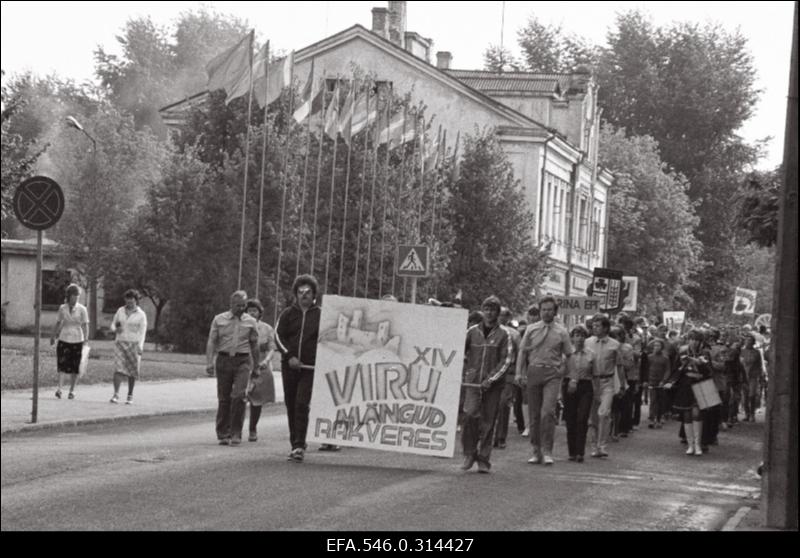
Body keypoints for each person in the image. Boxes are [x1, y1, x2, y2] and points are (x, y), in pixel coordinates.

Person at [516, 296, 572, 465]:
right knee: (534, 414)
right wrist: (519, 373)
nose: (546, 313)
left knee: (547, 412)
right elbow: (522, 352)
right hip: (534, 371)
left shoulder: (562, 331)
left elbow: (569, 355)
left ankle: (547, 450)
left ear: (555, 312)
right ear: (540, 311)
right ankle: (536, 450)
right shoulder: (531, 329)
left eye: (549, 309)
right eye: (543, 309)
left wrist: (564, 370)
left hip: (552, 374)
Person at [275, 275, 324, 462]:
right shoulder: (288, 314)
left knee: (302, 403)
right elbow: (278, 336)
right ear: (296, 294)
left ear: (314, 295)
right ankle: (296, 441)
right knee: (291, 404)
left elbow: (328, 339)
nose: (304, 295)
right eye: (300, 292)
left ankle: (298, 445)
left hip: (310, 368)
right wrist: (289, 356)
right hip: (290, 366)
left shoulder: (320, 315)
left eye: (308, 292)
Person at [461, 296, 511, 473]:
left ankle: (484, 459)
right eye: (486, 309)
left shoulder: (504, 334)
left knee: (488, 422)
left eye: (493, 309)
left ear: (498, 313)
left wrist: (491, 379)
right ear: (482, 311)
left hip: (493, 386)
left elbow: (506, 360)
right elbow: (459, 350)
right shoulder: (472, 331)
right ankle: (469, 453)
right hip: (473, 383)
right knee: (469, 417)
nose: (489, 313)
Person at [206, 290, 260, 446]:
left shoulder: (250, 322)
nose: (241, 308)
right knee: (224, 399)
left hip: (242, 361)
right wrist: (209, 362)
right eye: (238, 306)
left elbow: (254, 345)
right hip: (224, 360)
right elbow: (212, 341)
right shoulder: (219, 319)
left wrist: (256, 366)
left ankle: (236, 432)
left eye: (244, 305)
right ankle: (223, 432)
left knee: (239, 396)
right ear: (231, 304)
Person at [663, 329, 711, 456]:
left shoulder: (705, 352)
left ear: (701, 341)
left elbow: (708, 370)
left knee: (697, 413)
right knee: (687, 414)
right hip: (685, 385)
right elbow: (676, 370)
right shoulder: (682, 351)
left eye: (697, 340)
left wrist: (698, 363)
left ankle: (698, 444)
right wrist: (670, 381)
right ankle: (690, 445)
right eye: (692, 339)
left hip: (700, 384)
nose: (694, 342)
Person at [585, 314, 624, 459]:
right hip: (591, 382)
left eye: (598, 325)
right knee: (593, 417)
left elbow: (619, 366)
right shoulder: (587, 342)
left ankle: (602, 445)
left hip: (607, 382)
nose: (595, 328)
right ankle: (594, 445)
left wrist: (623, 384)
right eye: (593, 325)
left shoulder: (614, 344)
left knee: (604, 413)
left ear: (606, 328)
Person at [244, 299, 277, 442]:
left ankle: (252, 429)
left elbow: (272, 348)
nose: (252, 313)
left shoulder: (267, 328)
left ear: (259, 313)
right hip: (244, 365)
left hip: (261, 366)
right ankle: (234, 429)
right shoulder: (241, 326)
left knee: (256, 400)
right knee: (240, 396)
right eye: (249, 310)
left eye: (255, 310)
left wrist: (266, 361)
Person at [50, 283, 89, 400]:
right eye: (74, 295)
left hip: (77, 338)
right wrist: (53, 335)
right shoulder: (63, 308)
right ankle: (60, 389)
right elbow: (58, 322)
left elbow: (86, 325)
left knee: (75, 366)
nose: (76, 298)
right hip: (64, 338)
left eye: (77, 295)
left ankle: (72, 390)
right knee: (62, 364)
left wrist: (86, 340)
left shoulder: (82, 309)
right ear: (69, 296)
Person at [563, 325, 595, 462]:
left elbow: (595, 373)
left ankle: (580, 451)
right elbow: (561, 372)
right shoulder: (566, 354)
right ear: (572, 338)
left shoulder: (591, 354)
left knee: (582, 418)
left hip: (585, 386)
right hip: (569, 385)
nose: (580, 338)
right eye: (577, 335)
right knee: (571, 419)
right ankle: (572, 451)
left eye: (582, 335)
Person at [109, 289, 148, 404]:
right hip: (120, 342)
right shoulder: (120, 311)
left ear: (136, 301)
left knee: (132, 370)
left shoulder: (141, 315)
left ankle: (130, 394)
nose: (129, 304)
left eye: (131, 301)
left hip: (134, 344)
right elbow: (113, 324)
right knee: (118, 368)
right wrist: (116, 329)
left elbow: (142, 332)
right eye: (127, 301)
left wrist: (140, 346)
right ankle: (116, 394)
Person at [493, 307, 521, 449]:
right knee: (491, 405)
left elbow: (520, 353)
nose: (501, 317)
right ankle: (489, 435)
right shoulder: (491, 332)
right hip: (491, 372)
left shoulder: (514, 334)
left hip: (508, 373)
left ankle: (501, 437)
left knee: (503, 405)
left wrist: (518, 373)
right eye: (499, 315)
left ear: (508, 318)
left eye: (504, 315)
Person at [644, 338, 671, 429]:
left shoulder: (665, 358)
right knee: (653, 400)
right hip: (651, 381)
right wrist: (646, 380)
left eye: (658, 345)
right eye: (655, 345)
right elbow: (646, 369)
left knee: (660, 401)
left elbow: (668, 370)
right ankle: (652, 419)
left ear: (662, 347)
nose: (656, 347)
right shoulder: (649, 357)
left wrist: (664, 381)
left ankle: (659, 419)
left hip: (661, 382)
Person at [739, 334, 764, 422]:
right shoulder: (741, 351)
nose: (748, 342)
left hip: (753, 376)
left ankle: (752, 414)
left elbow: (759, 365)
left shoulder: (756, 352)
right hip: (743, 376)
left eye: (750, 341)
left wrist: (761, 376)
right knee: (745, 396)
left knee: (752, 395)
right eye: (746, 340)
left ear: (753, 342)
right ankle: (747, 414)